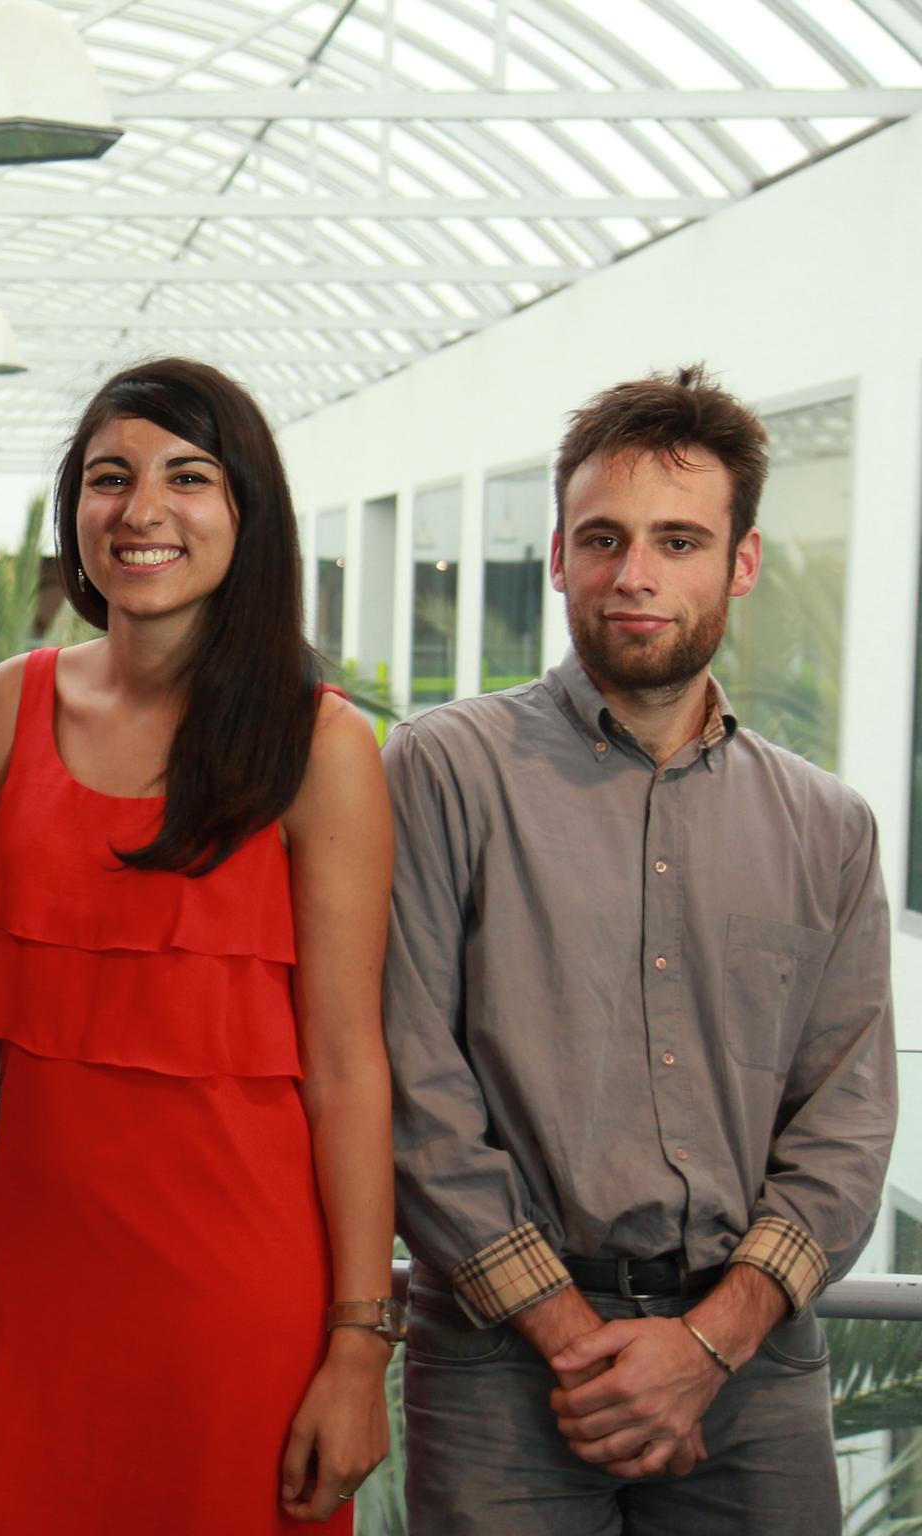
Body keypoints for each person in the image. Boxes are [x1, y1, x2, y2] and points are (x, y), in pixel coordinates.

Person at [385, 364, 895, 1534]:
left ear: (741, 563)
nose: (635, 576)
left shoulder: (826, 825)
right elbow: (411, 1078)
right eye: (602, 538)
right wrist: (570, 1337)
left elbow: (848, 1118)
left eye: (677, 540)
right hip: (498, 1367)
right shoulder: (442, 771)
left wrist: (710, 1343)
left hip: (749, 1370)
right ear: (557, 556)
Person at [0, 357, 397, 1532]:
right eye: (107, 477)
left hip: (242, 1309)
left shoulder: (318, 746)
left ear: (246, 513)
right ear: (73, 509)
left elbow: (345, 1070)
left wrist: (357, 1343)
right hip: (38, 1299)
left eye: (187, 476)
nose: (141, 511)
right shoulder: (4, 708)